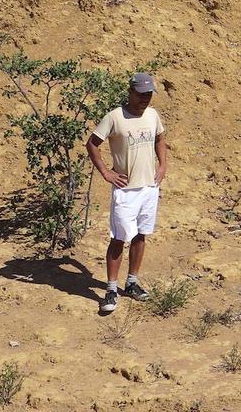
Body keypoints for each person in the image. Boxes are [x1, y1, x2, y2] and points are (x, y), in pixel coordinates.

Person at [86, 72, 168, 314]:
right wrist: (106, 173)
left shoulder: (152, 115)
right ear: (130, 93)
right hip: (125, 191)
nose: (145, 99)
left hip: (149, 187)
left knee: (141, 235)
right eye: (141, 94)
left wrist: (162, 165)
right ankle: (111, 289)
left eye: (149, 94)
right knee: (119, 238)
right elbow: (92, 143)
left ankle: (132, 283)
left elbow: (160, 139)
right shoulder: (114, 117)